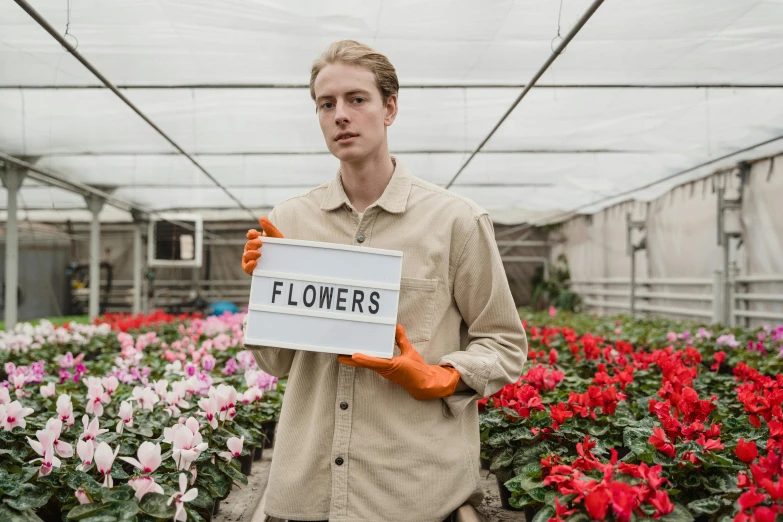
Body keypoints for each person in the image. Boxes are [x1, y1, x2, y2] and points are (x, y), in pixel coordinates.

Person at [241, 40, 528, 522]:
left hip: (414, 493)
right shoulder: (289, 220)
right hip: (306, 494)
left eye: (357, 99)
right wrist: (269, 292)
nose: (340, 116)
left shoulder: (455, 222)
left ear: (389, 107)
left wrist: (442, 376)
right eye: (325, 104)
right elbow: (275, 363)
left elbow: (503, 341)